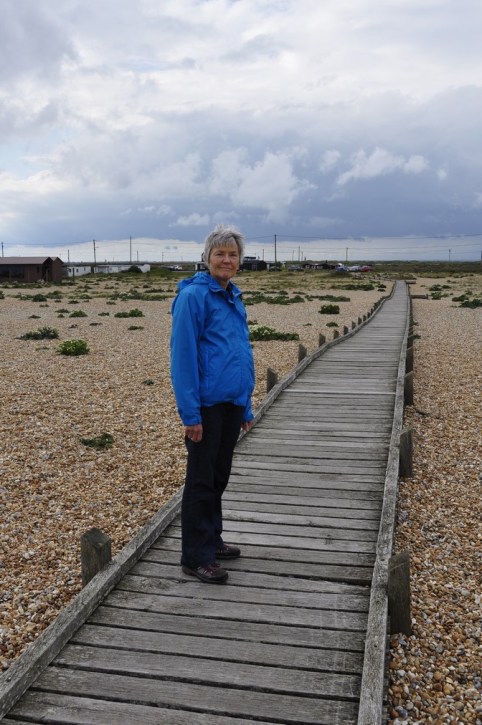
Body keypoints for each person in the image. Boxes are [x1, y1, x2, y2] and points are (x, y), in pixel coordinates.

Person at [170, 225, 255, 583]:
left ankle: (212, 540)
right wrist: (190, 414)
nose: (226, 260)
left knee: (219, 476)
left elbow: (240, 350)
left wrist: (245, 405)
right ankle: (196, 556)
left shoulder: (233, 295)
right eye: (220, 253)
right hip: (205, 405)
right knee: (201, 481)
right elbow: (183, 359)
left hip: (231, 402)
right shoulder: (194, 297)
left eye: (233, 254)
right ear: (207, 258)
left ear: (240, 261)